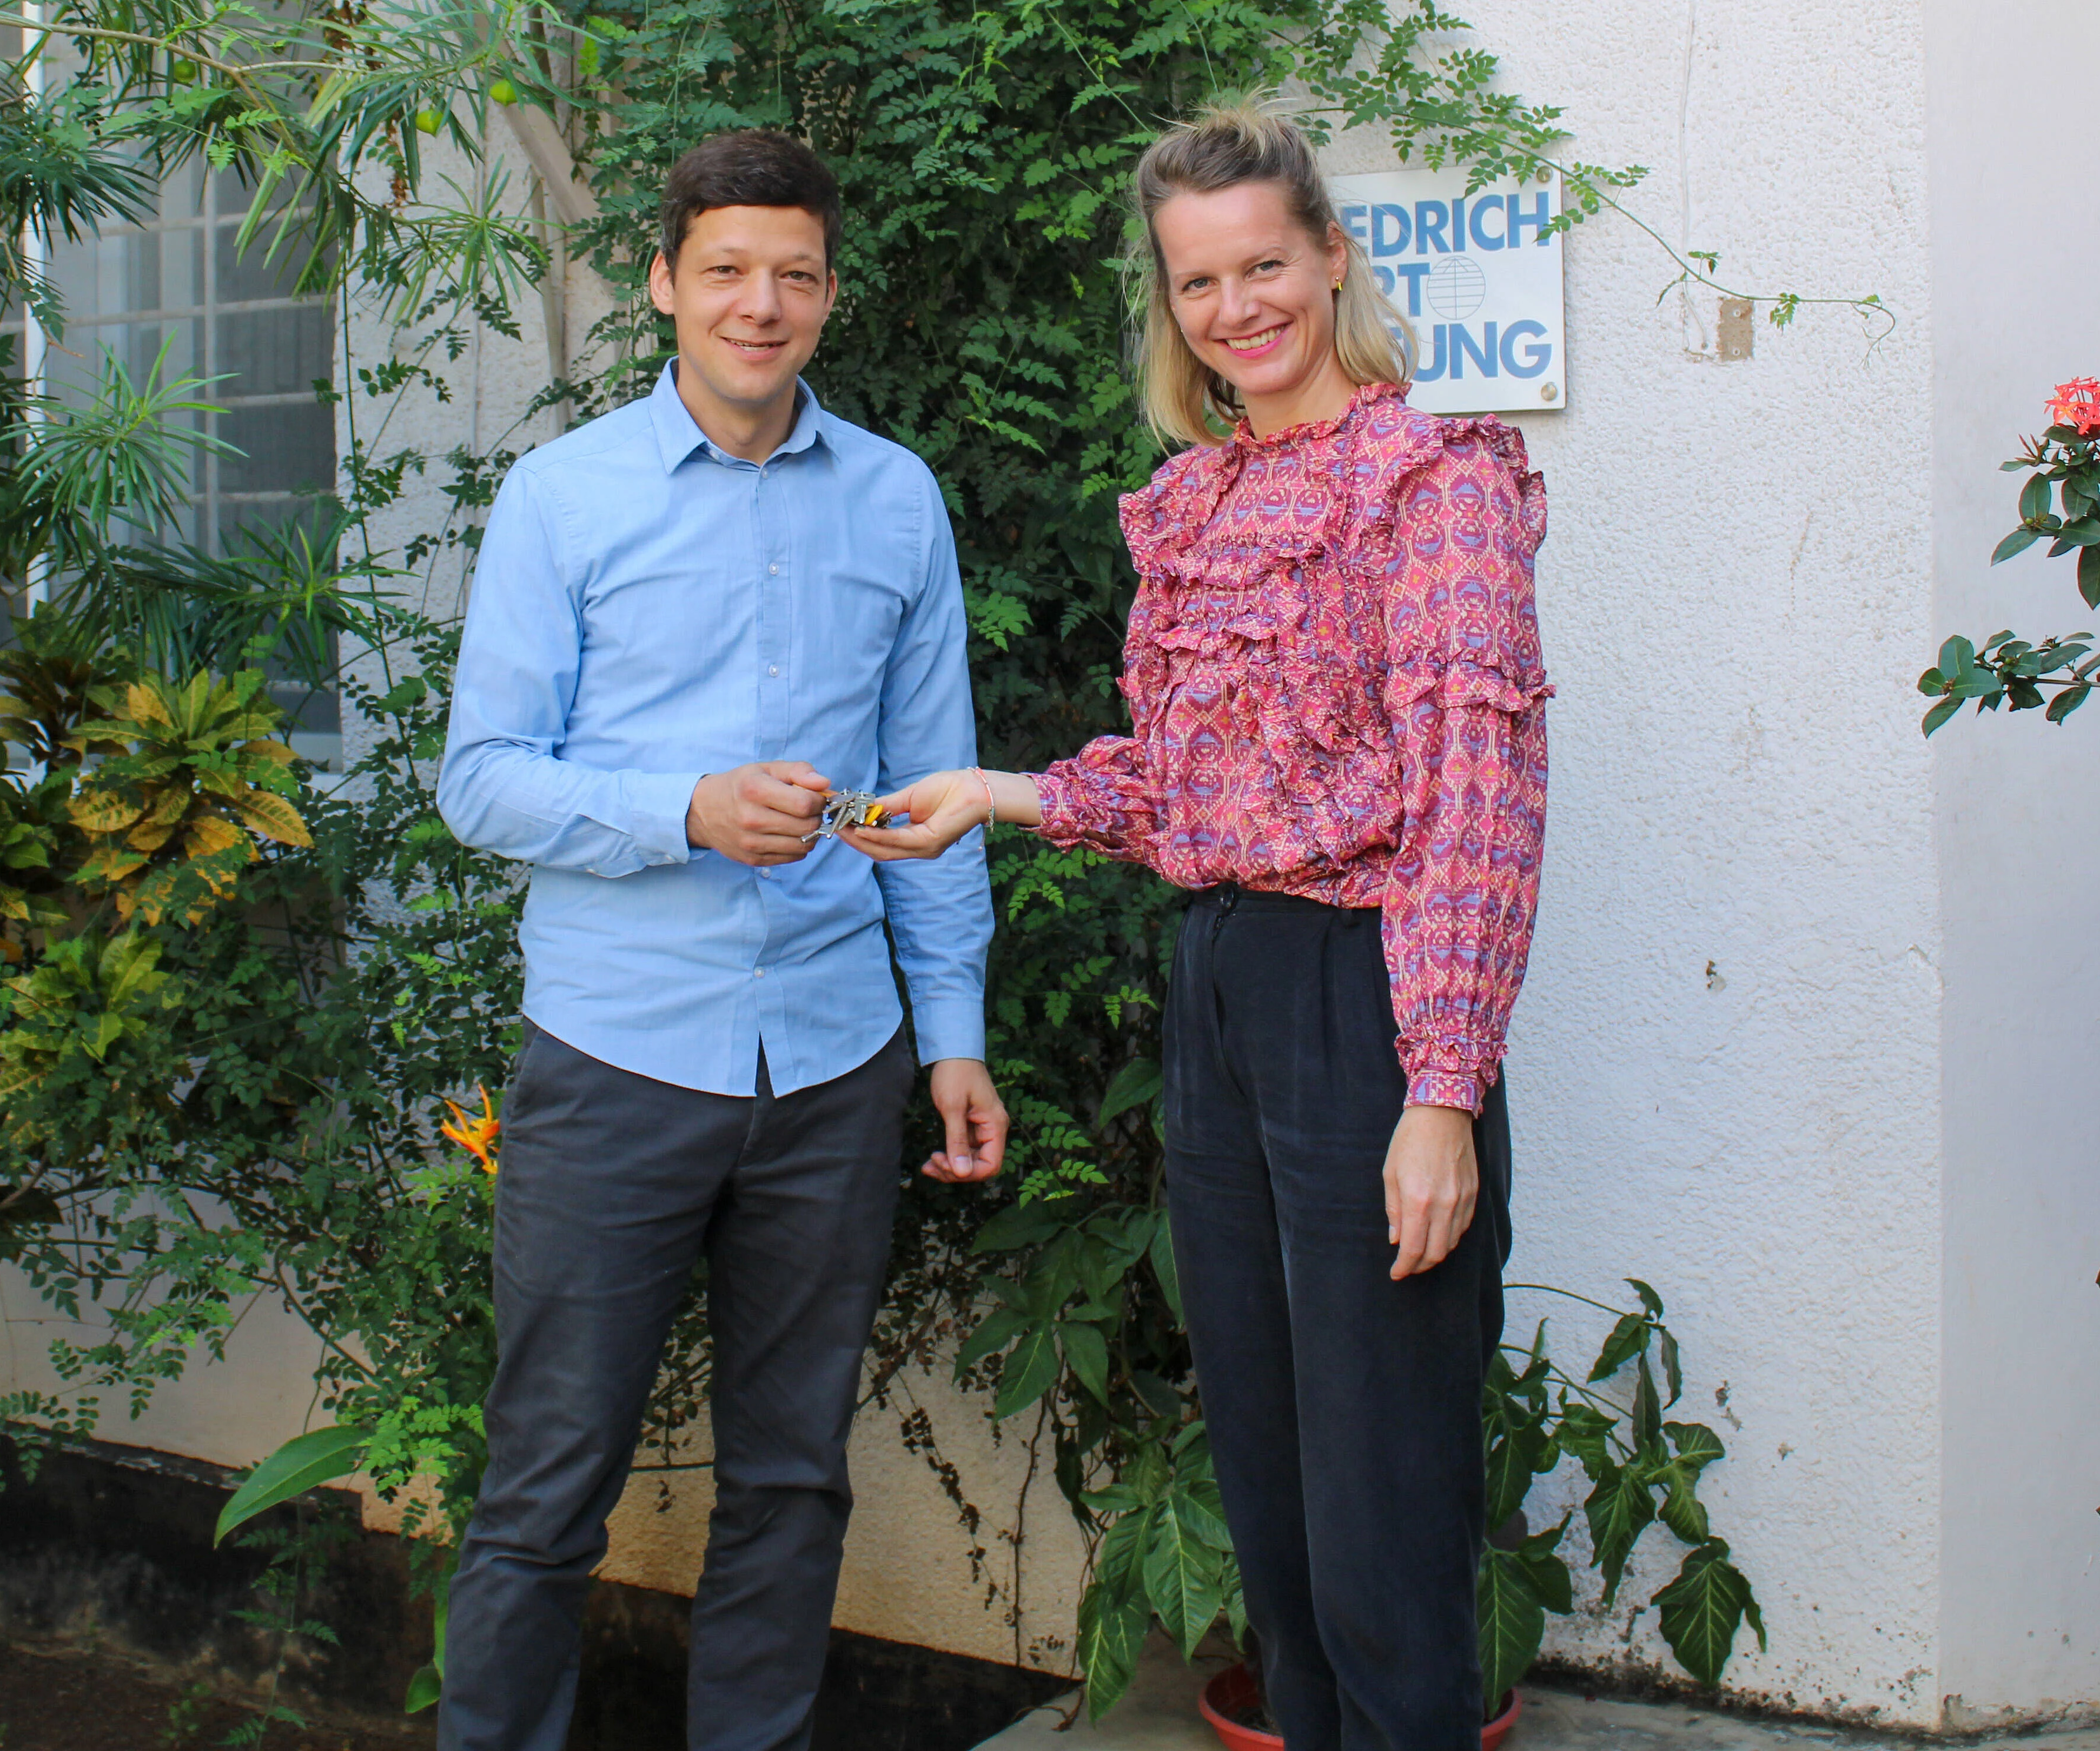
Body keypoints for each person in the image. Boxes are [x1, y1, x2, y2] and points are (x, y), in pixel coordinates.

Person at [846, 101, 1549, 1749]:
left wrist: (1441, 1086)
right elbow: (1187, 787)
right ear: (1169, 306)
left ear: (1329, 259)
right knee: (1273, 1459)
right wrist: (991, 791)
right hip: (1220, 981)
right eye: (1198, 283)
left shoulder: (1428, 483)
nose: (1237, 307)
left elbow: (1478, 797)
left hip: (1365, 990)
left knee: (1383, 1473)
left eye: (1263, 265)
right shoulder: (1202, 501)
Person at [432, 128, 1008, 1751]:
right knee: (547, 1483)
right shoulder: (563, 497)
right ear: (666, 281)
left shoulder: (898, 501)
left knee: (790, 1477)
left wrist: (951, 1034)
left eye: (796, 274)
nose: (763, 303)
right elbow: (481, 779)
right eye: (730, 270)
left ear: (829, 292)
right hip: (617, 1058)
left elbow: (926, 795)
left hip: (833, 1060)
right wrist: (683, 808)